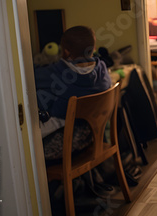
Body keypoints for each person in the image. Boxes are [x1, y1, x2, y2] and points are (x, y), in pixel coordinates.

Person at [35, 25, 112, 161]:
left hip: (66, 143)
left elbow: (32, 77)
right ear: (93, 49)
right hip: (92, 136)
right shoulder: (102, 69)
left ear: (65, 52)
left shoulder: (57, 73)